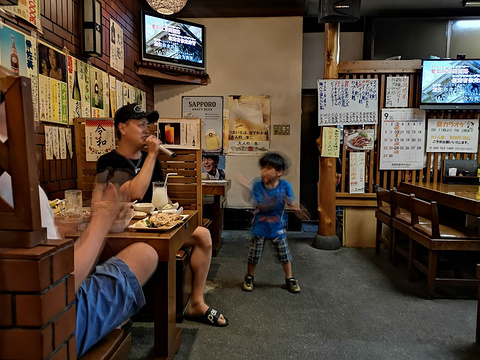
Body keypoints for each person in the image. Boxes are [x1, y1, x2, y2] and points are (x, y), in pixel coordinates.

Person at [0, 130, 158, 357]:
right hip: (44, 325)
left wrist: (55, 228)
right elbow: (59, 284)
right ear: (122, 128)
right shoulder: (17, 183)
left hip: (19, 309)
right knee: (145, 254)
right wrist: (102, 220)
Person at [96, 103, 229, 327]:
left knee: (204, 236)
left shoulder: (153, 162)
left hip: (153, 227)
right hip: (124, 232)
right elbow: (135, 193)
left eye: (147, 125)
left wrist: (171, 210)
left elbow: (159, 193)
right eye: (140, 125)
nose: (147, 131)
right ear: (122, 128)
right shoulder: (108, 162)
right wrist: (151, 156)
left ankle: (196, 302)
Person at [237, 152, 307, 294]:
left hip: (278, 228)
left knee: (285, 255)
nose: (264, 171)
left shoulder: (285, 186)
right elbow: (260, 205)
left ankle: (290, 279)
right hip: (259, 227)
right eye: (263, 168)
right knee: (254, 255)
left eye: (269, 168)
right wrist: (249, 188)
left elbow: (290, 202)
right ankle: (249, 277)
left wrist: (297, 208)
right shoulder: (257, 185)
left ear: (279, 172)